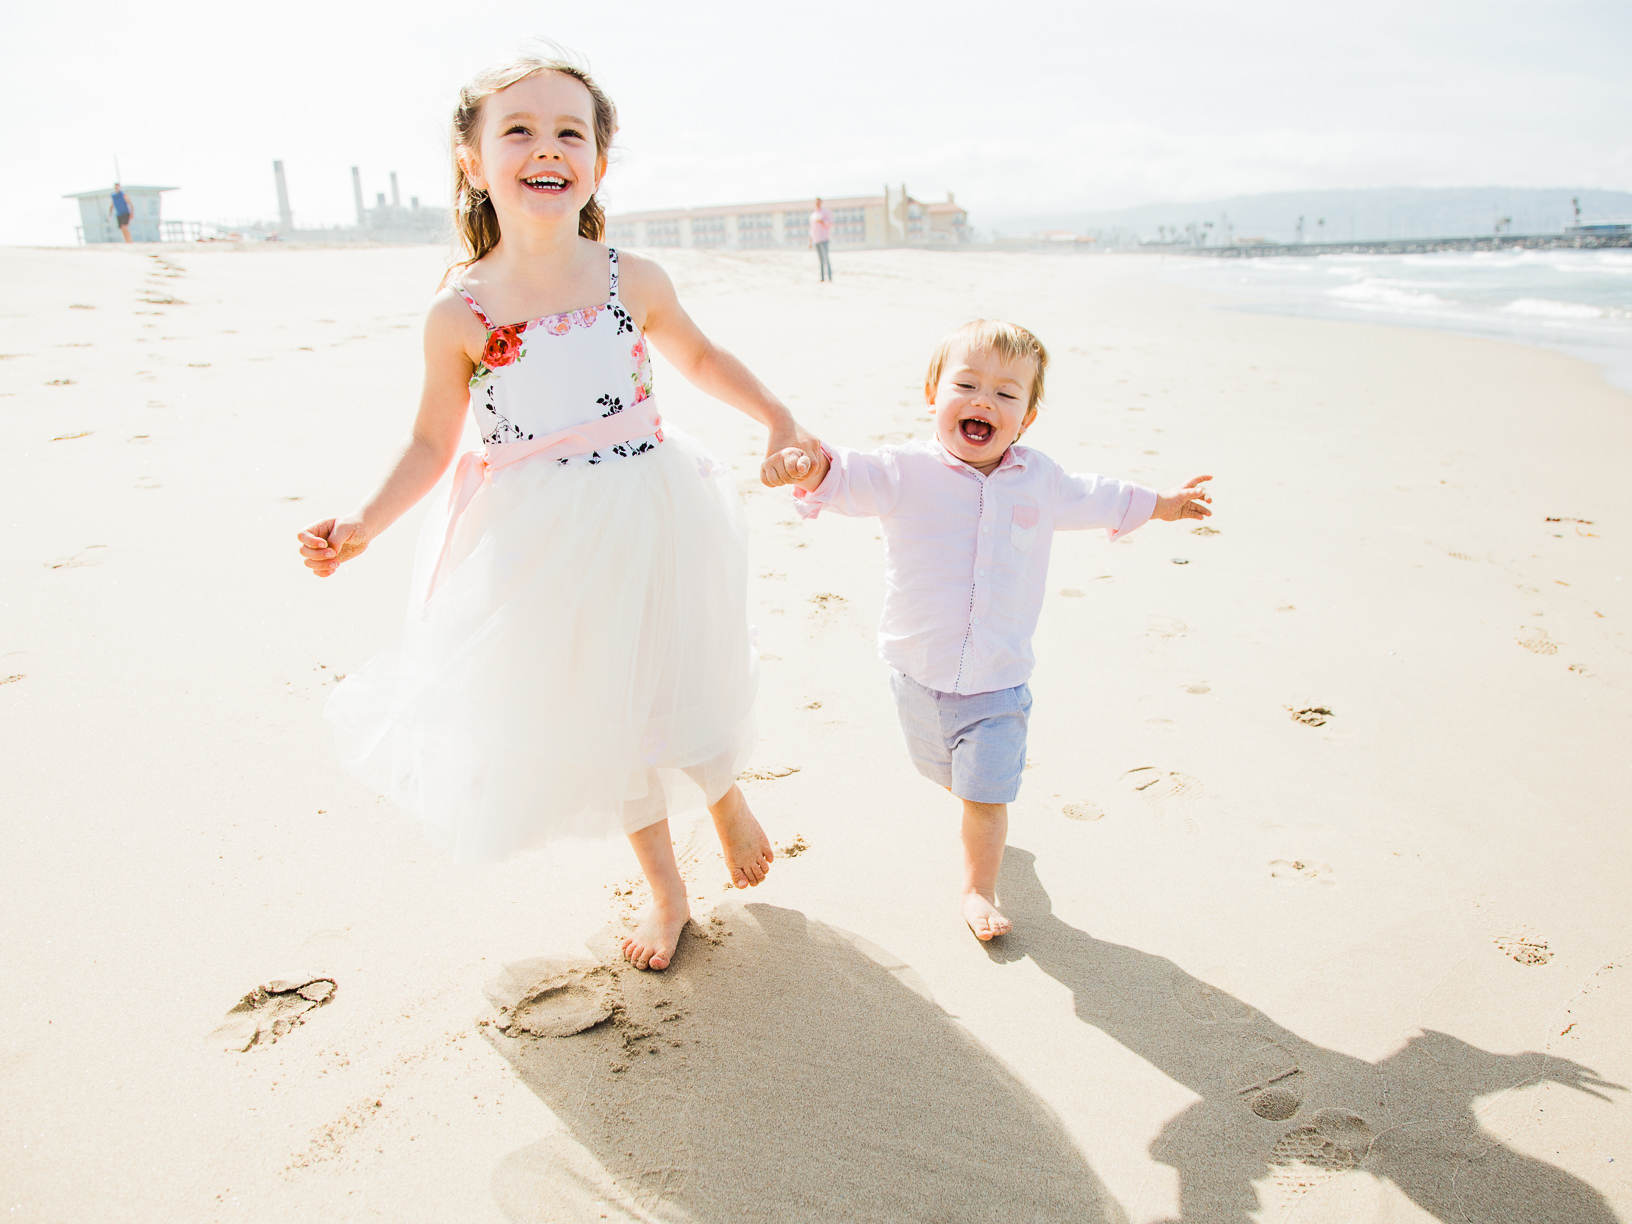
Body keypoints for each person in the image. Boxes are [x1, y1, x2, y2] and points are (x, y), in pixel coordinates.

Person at [296, 52, 820, 972]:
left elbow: (699, 360)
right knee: (604, 709)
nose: (548, 147)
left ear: (599, 164)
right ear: (472, 159)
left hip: (654, 501)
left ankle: (724, 792)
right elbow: (431, 442)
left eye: (570, 131)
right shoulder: (459, 310)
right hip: (542, 537)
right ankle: (666, 892)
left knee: (680, 664)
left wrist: (777, 417)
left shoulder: (631, 277)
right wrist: (366, 523)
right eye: (520, 130)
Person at [763, 320, 1212, 941]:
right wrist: (807, 466)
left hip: (999, 680)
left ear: (1026, 418)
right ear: (933, 395)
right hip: (917, 673)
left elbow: (1097, 495)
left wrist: (1161, 503)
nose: (984, 401)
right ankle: (970, 795)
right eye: (967, 384)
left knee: (986, 795)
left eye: (1007, 394)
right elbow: (846, 475)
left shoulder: (1040, 480)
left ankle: (978, 888)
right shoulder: (905, 471)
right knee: (941, 774)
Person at [809, 196, 833, 281]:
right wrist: (810, 241)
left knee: (826, 258)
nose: (817, 204)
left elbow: (830, 223)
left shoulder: (825, 212)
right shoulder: (813, 214)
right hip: (816, 239)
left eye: (818, 202)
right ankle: (822, 277)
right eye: (816, 202)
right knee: (820, 260)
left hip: (824, 238)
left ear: (821, 202)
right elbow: (812, 229)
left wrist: (822, 221)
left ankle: (829, 277)